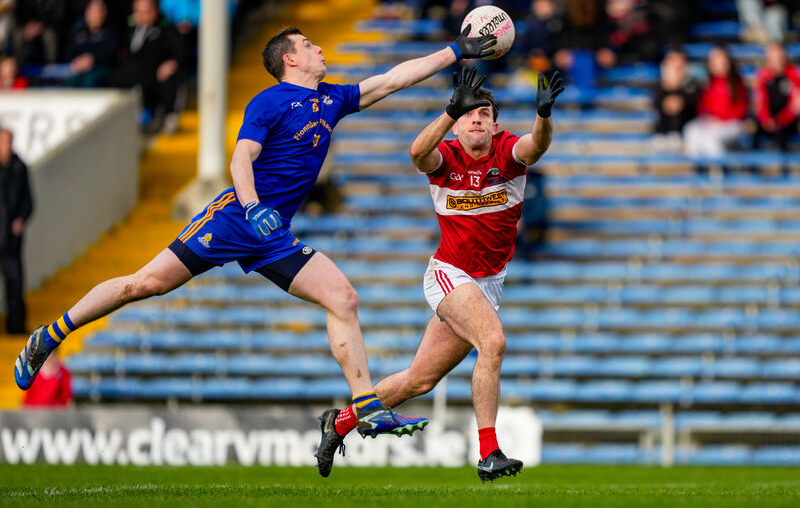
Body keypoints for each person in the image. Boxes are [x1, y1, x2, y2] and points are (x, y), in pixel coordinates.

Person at [14, 24, 497, 440]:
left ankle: (366, 407)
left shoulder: (332, 99)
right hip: (233, 220)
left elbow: (392, 79)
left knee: (343, 298)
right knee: (145, 284)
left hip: (274, 235)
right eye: (310, 45)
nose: (320, 50)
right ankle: (48, 336)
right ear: (291, 59)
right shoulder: (270, 100)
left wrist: (456, 51)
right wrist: (251, 207)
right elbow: (240, 157)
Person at [315, 68, 564, 482]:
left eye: (484, 113)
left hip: (487, 285)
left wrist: (544, 115)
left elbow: (536, 147)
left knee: (419, 380)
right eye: (470, 113)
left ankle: (338, 422)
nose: (477, 119)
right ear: (458, 121)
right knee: (494, 341)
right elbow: (416, 153)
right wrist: (451, 109)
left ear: (495, 123)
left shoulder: (507, 151)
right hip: (449, 275)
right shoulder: (445, 155)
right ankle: (489, 453)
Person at [109, 0, 185, 134]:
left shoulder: (166, 29)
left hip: (153, 74)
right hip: (131, 75)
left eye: (147, 11)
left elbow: (179, 52)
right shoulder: (129, 32)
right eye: (139, 12)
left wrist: (173, 63)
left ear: (155, 10)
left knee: (165, 79)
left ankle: (164, 116)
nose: (143, 16)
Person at [683, 46, 748, 160]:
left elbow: (741, 110)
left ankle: (719, 171)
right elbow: (702, 107)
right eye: (714, 61)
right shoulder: (708, 83)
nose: (718, 64)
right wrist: (707, 116)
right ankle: (696, 169)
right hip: (711, 123)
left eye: (720, 60)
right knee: (692, 131)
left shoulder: (736, 84)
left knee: (710, 139)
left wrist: (720, 118)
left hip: (731, 124)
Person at [0, 128, 33, 335]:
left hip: (11, 239)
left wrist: (21, 219)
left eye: (8, 142)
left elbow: (29, 201)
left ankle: (16, 326)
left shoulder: (19, 168)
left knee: (15, 282)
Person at [753, 43, 800, 151]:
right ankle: (754, 166)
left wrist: (779, 121)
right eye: (773, 57)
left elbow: (795, 106)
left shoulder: (793, 75)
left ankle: (785, 166)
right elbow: (760, 102)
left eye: (779, 57)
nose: (776, 61)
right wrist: (766, 120)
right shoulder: (763, 76)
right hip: (768, 122)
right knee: (754, 137)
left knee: (782, 139)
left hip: (786, 123)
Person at [65, 0, 118, 88]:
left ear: (104, 13)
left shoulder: (111, 31)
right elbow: (69, 52)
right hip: (80, 68)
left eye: (99, 11)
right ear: (87, 13)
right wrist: (79, 61)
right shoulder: (78, 32)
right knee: (72, 82)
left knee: (89, 80)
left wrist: (92, 59)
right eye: (92, 11)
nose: (96, 15)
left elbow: (110, 53)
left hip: (101, 68)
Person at [653, 49, 700, 143]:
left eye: (678, 61)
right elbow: (659, 105)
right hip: (662, 135)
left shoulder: (693, 85)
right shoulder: (659, 85)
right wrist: (669, 85)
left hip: (688, 135)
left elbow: (686, 105)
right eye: (672, 61)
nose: (675, 66)